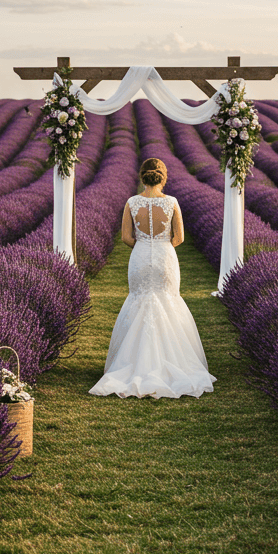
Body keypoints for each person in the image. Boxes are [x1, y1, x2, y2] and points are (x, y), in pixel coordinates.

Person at [89, 157, 216, 399]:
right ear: (163, 177)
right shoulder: (171, 203)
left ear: (142, 176)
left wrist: (143, 244)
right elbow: (178, 238)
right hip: (164, 258)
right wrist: (160, 245)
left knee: (139, 300)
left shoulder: (131, 202)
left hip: (139, 258)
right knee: (168, 300)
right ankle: (173, 360)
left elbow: (127, 237)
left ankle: (133, 361)